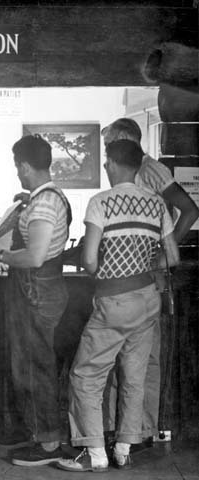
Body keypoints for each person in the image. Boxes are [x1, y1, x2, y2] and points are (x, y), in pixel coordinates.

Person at [57, 139, 179, 472]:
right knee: (134, 377)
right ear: (139, 165)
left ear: (111, 162)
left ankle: (95, 453)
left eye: (106, 163)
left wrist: (111, 266)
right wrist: (142, 264)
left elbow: (90, 261)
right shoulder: (156, 203)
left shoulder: (101, 203)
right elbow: (174, 256)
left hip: (113, 301)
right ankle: (123, 449)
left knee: (86, 376)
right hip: (147, 298)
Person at [101, 118, 199, 450]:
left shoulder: (150, 168)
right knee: (135, 356)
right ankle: (133, 430)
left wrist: (162, 253)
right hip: (133, 275)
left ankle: (140, 429)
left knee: (142, 356)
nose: (108, 156)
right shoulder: (134, 174)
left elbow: (189, 209)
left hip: (147, 276)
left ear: (126, 140)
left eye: (111, 145)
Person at [0, 135, 71, 466]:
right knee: (30, 366)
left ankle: (47, 444)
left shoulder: (44, 203)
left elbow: (34, 256)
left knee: (35, 368)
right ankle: (38, 432)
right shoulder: (45, 198)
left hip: (36, 291)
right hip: (39, 290)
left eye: (17, 166)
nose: (17, 171)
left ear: (24, 166)